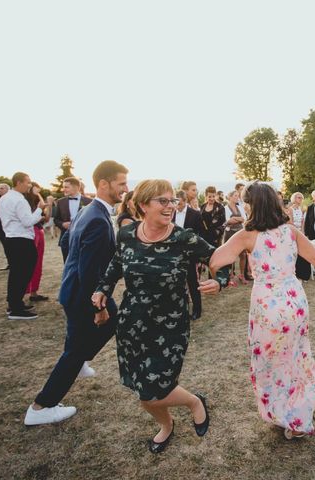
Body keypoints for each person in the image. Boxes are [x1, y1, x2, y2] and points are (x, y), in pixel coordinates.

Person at [92, 179, 229, 454]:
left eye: (172, 201)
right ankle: (166, 425)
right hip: (132, 323)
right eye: (162, 201)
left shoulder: (183, 238)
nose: (171, 206)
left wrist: (221, 280)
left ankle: (193, 402)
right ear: (143, 205)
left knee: (157, 387)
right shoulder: (127, 234)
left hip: (170, 325)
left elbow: (217, 258)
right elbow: (116, 264)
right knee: (142, 389)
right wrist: (102, 290)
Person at [208, 181, 315, 439]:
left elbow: (217, 261)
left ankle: (283, 415)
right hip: (295, 302)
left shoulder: (246, 236)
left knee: (270, 365)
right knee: (296, 361)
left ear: (251, 206)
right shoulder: (290, 231)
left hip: (267, 307)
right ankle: (293, 415)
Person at [24, 161, 128, 426]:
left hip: (72, 290)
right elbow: (90, 271)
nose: (126, 188)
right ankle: (41, 406)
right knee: (84, 343)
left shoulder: (88, 210)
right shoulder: (96, 219)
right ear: (103, 184)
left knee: (80, 344)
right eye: (122, 183)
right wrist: (100, 307)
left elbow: (67, 244)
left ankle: (80, 360)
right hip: (84, 294)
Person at [0, 173, 45, 320]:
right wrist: (39, 209)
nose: (30, 185)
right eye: (28, 182)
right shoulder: (19, 200)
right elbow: (27, 221)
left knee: (15, 273)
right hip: (22, 240)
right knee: (23, 273)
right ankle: (16, 309)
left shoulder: (4, 198)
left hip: (11, 239)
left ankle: (13, 304)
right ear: (19, 182)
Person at [173, 189, 204, 319]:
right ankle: (182, 309)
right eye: (175, 203)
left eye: (179, 203)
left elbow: (199, 235)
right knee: (177, 283)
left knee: (192, 282)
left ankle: (197, 310)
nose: (176, 206)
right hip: (174, 254)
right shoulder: (171, 213)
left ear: (185, 201)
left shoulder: (195, 214)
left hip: (189, 254)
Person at [54, 177, 92, 262]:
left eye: (66, 187)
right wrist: (63, 224)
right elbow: (56, 219)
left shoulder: (89, 202)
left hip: (84, 239)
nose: (63, 189)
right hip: (66, 239)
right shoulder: (60, 202)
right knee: (67, 264)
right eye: (63, 187)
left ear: (76, 187)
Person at [25, 182, 49, 302]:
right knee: (29, 262)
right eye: (36, 187)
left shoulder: (35, 201)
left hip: (39, 230)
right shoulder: (24, 200)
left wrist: (45, 205)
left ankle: (34, 292)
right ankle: (23, 292)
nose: (38, 189)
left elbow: (46, 218)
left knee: (38, 262)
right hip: (31, 231)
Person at [224, 190, 248, 284]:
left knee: (243, 254)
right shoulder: (225, 208)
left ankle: (242, 275)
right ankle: (230, 277)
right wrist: (237, 219)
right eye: (235, 195)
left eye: (238, 196)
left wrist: (235, 219)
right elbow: (227, 221)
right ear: (230, 197)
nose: (237, 197)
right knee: (231, 255)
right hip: (229, 234)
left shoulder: (240, 207)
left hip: (240, 233)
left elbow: (244, 219)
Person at [287, 192, 311, 280]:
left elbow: (303, 223)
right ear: (294, 199)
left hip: (300, 233)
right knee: (293, 252)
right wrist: (296, 232)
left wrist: (303, 234)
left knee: (300, 252)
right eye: (298, 198)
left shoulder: (301, 209)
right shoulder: (290, 209)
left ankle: (300, 272)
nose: (300, 199)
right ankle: (291, 272)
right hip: (292, 232)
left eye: (301, 198)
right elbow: (290, 222)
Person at [0, 183, 11, 270]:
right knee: (6, 246)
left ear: (8, 189)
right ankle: (10, 263)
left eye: (2, 188)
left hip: (9, 228)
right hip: (0, 228)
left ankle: (15, 263)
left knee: (12, 246)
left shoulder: (11, 200)